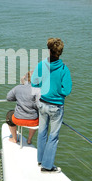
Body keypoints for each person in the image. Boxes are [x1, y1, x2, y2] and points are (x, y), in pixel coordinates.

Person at [31, 38, 72, 173]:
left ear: (48, 50)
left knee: (42, 132)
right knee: (53, 136)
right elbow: (66, 90)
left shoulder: (41, 65)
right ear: (60, 52)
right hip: (56, 107)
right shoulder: (64, 69)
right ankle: (47, 166)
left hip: (42, 104)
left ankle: (41, 160)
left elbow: (34, 83)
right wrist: (57, 91)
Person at [6, 71, 40, 144]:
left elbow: (8, 98)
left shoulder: (18, 88)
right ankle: (29, 140)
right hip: (33, 122)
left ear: (26, 78)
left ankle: (14, 139)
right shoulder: (38, 89)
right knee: (38, 115)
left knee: (9, 115)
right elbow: (39, 105)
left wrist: (19, 97)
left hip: (18, 119)